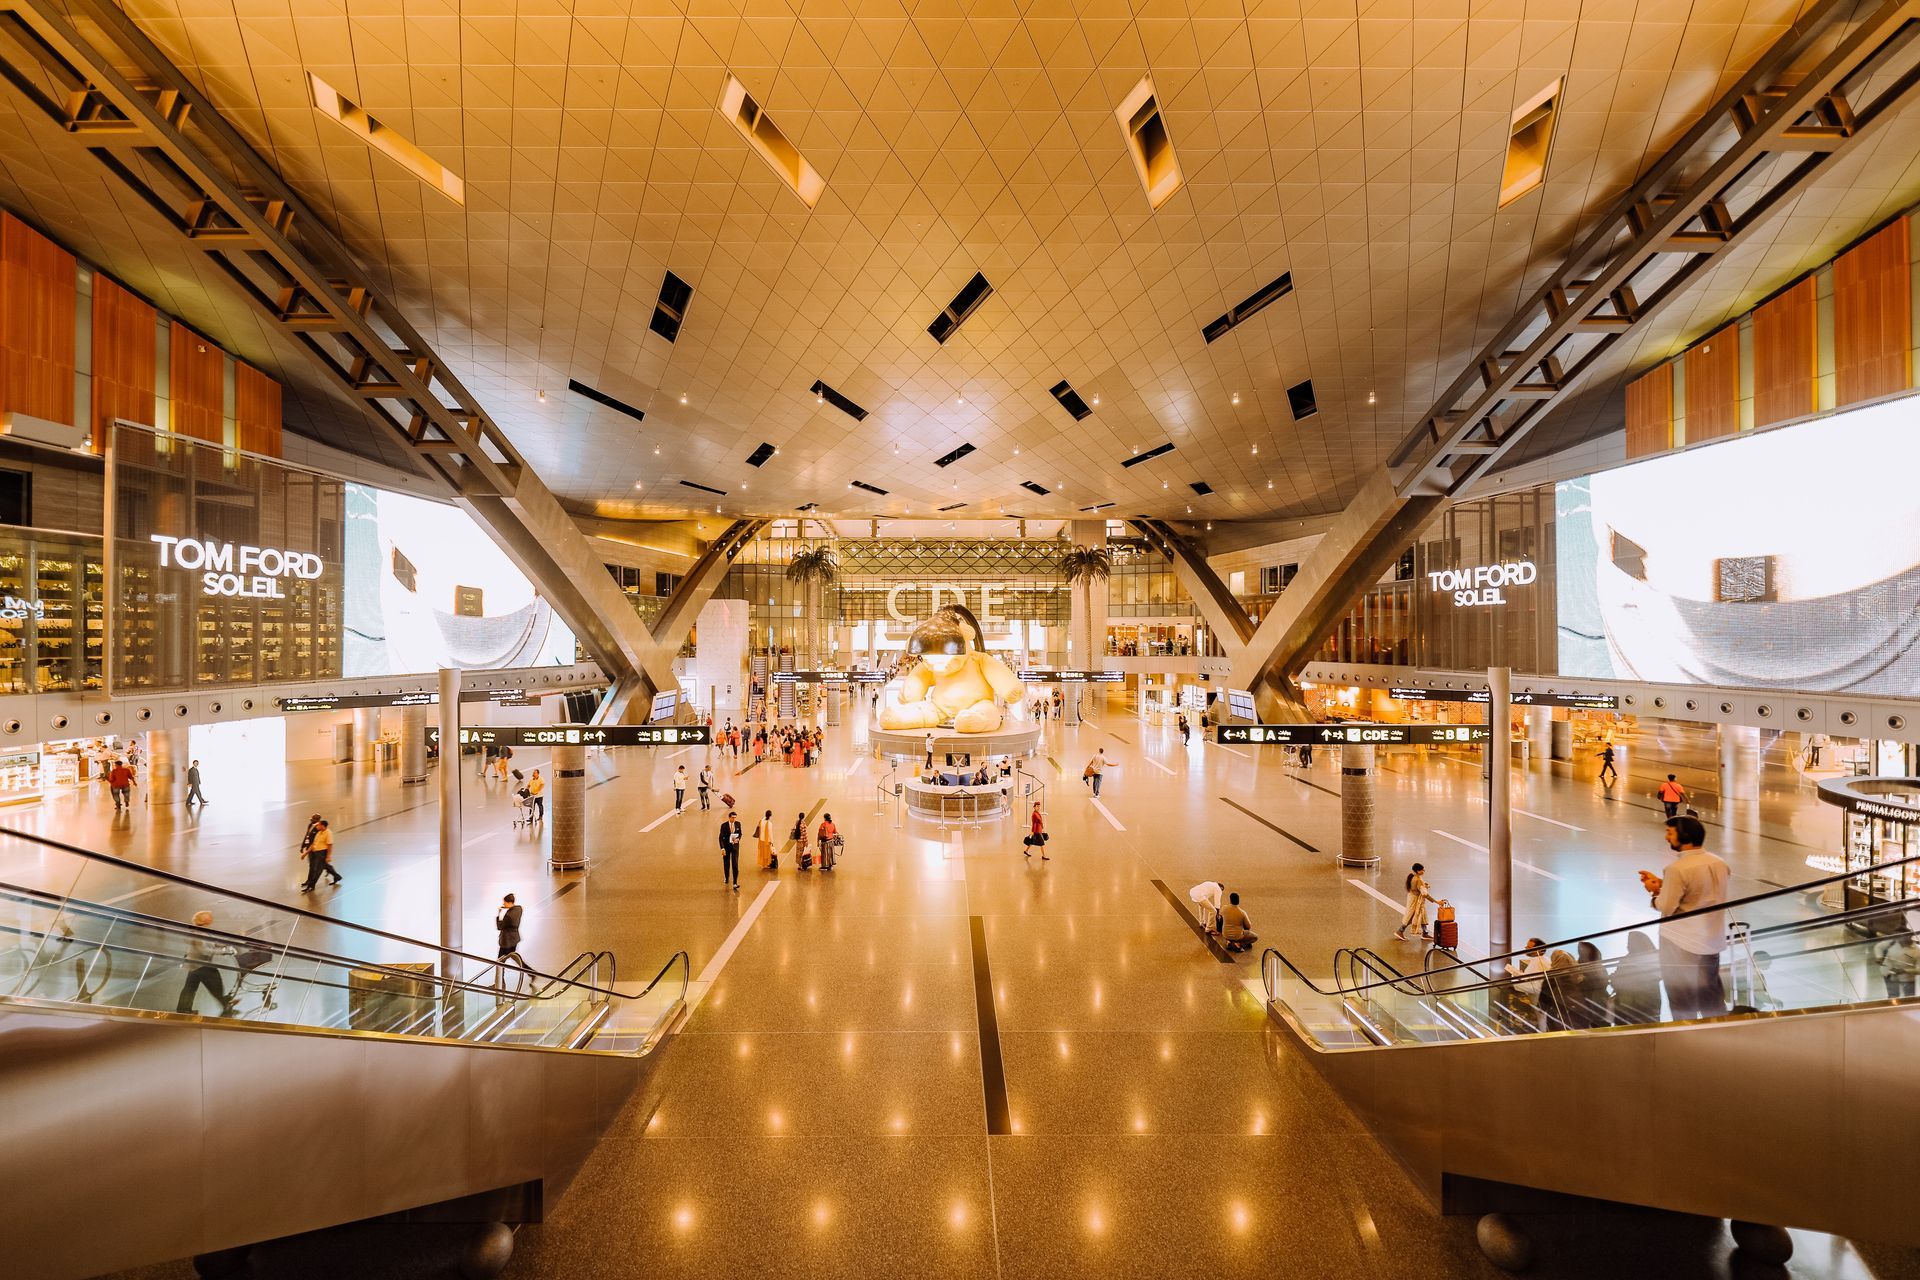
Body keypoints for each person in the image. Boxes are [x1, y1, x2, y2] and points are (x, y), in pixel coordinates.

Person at [1645, 814, 1730, 1020]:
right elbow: (1701, 894)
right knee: (1710, 994)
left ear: (1684, 835)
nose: (1667, 837)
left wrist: (1654, 892)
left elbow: (1666, 906)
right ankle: (1719, 1033)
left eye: (1670, 832)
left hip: (1680, 942)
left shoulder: (1676, 869)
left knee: (1681, 998)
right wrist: (1665, 886)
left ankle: (1686, 1040)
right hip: (1712, 940)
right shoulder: (1719, 863)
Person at [176, 910, 232, 1014]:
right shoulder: (198, 933)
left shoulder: (202, 930)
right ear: (205, 920)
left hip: (195, 964)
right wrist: (223, 951)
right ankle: (225, 1004)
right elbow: (205, 951)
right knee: (215, 983)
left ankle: (183, 1009)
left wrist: (224, 946)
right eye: (209, 917)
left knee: (190, 988)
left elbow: (213, 942)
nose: (211, 918)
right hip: (200, 965)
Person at [1610, 931, 1663, 1024]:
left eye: (1630, 941)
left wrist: (1615, 978)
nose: (1628, 944)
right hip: (1630, 1008)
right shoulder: (1651, 959)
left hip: (1637, 1007)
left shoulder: (1642, 959)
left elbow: (1628, 980)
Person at [1503, 938, 1551, 1028]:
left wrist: (1514, 983)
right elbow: (1531, 977)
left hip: (1538, 996)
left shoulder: (1538, 962)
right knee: (1541, 1019)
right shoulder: (1542, 960)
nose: (1525, 948)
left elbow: (1534, 984)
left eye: (1529, 947)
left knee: (1541, 1019)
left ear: (1539, 950)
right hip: (1539, 995)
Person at [1394, 863, 1437, 941]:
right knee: (1411, 915)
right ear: (1418, 871)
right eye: (1422, 870)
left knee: (1422, 915)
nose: (1424, 871)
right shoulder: (1418, 879)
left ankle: (1425, 933)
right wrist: (1436, 902)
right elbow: (1425, 894)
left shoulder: (1414, 877)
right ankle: (1400, 931)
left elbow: (1417, 887)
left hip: (1413, 898)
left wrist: (1425, 885)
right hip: (1416, 901)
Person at [495, 894, 529, 986]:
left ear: (509, 902)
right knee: (514, 957)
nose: (503, 904)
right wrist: (508, 909)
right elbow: (512, 915)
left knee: (499, 963)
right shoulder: (518, 909)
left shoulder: (508, 916)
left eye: (505, 902)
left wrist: (499, 915)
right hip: (514, 939)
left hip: (507, 942)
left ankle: (499, 983)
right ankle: (531, 973)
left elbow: (500, 926)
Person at [1872, 933, 1920, 999]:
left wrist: (1904, 971)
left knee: (1910, 997)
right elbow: (1878, 947)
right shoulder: (1892, 942)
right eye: (1900, 936)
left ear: (1910, 937)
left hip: (1908, 977)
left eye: (1904, 937)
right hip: (1889, 973)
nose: (1901, 939)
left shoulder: (1917, 951)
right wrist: (1879, 957)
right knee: (1893, 995)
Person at [299, 818, 341, 891]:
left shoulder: (328, 833)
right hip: (316, 852)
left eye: (319, 825)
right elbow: (313, 844)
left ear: (323, 826)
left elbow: (330, 846)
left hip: (322, 853)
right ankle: (337, 876)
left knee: (318, 870)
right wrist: (305, 853)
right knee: (326, 866)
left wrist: (328, 856)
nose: (317, 826)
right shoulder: (319, 833)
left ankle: (311, 886)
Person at [717, 810, 743, 890]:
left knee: (735, 864)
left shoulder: (738, 824)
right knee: (726, 863)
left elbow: (740, 833)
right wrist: (722, 848)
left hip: (735, 847)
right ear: (729, 817)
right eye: (732, 818)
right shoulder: (724, 826)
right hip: (727, 847)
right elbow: (721, 838)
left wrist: (738, 839)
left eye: (735, 818)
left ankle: (735, 882)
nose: (734, 819)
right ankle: (727, 877)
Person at [754, 809, 775, 874]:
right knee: (766, 853)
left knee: (762, 852)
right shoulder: (769, 823)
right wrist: (772, 841)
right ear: (770, 816)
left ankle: (762, 864)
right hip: (767, 840)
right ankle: (765, 864)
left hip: (761, 839)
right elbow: (770, 833)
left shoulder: (761, 821)